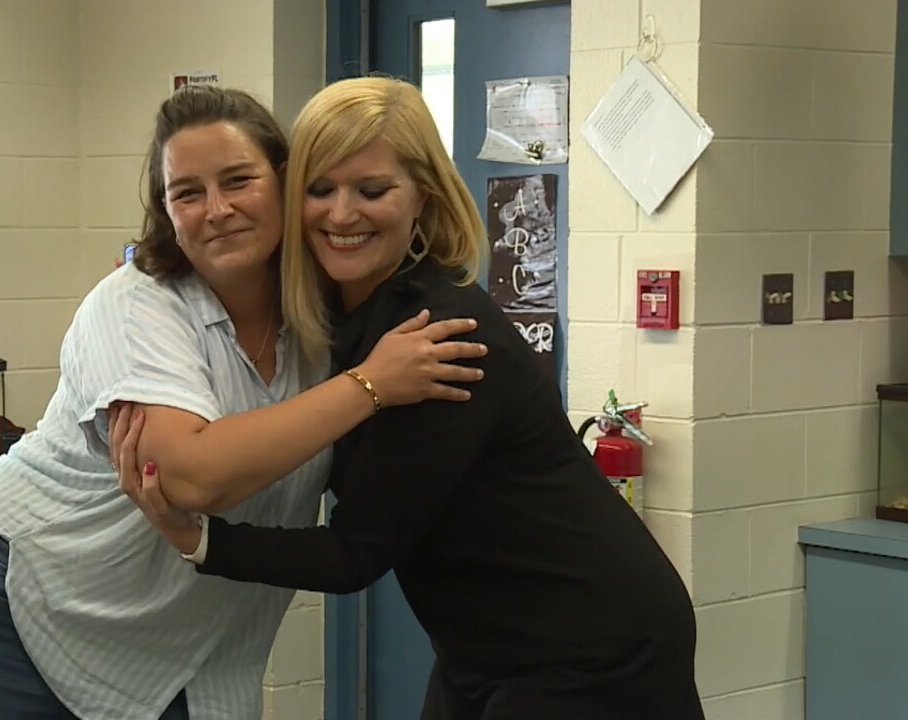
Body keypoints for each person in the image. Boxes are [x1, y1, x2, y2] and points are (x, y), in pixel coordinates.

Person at [0, 84, 487, 720]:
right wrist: (370, 386)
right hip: (0, 623)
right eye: (187, 193)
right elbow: (187, 477)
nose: (216, 209)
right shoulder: (136, 305)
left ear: (284, 181)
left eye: (238, 180)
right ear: (166, 211)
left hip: (174, 660)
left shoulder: (324, 318)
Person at [113, 77, 706, 720]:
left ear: (420, 196)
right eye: (319, 190)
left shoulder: (438, 337)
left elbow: (354, 553)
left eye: (372, 190)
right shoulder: (336, 323)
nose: (342, 215)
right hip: (482, 647)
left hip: (594, 646)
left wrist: (198, 540)